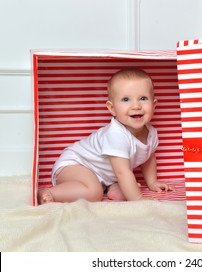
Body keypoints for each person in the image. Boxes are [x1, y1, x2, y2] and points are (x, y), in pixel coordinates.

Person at [38, 68, 175, 204]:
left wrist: (152, 182)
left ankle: (111, 188)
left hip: (103, 177)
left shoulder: (151, 133)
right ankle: (50, 193)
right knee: (93, 193)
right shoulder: (116, 134)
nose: (136, 106)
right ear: (112, 108)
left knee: (124, 190)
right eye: (126, 99)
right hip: (75, 165)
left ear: (154, 104)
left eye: (143, 98)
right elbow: (122, 172)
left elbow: (148, 158)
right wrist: (137, 199)